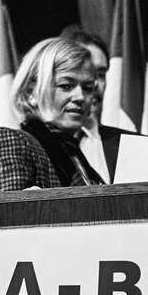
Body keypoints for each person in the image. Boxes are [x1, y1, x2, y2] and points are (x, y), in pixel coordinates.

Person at [0, 37, 105, 192]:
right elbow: (8, 215)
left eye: (88, 88)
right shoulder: (11, 142)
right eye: (66, 86)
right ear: (31, 92)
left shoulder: (75, 154)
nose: (80, 97)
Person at [60, 25, 137, 184]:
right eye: (82, 72)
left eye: (100, 74)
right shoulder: (37, 147)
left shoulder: (137, 147)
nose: (93, 84)